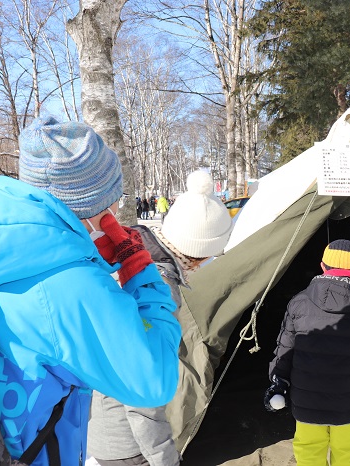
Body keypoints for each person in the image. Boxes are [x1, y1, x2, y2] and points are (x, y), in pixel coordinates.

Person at [0, 116, 182, 466]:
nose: (117, 209)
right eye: (114, 198)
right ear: (92, 204)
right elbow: (152, 382)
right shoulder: (71, 285)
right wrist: (142, 273)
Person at [88, 169, 233, 466]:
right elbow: (142, 394)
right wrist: (166, 460)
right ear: (199, 253)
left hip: (101, 422)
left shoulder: (128, 256)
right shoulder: (157, 288)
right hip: (128, 445)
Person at [265, 239, 350, 466]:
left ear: (323, 267)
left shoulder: (299, 302)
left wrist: (278, 381)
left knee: (309, 453)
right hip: (347, 403)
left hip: (306, 401)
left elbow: (286, 348)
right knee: (349, 454)